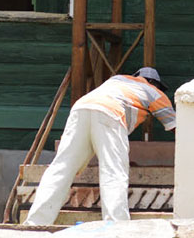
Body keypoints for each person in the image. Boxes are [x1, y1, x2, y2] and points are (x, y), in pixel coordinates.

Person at [23, 67, 176, 225]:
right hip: (111, 112)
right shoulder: (154, 92)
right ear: (154, 83)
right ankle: (116, 226)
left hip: (81, 108)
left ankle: (35, 223)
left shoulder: (116, 80)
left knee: (61, 168)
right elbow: (176, 127)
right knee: (113, 171)